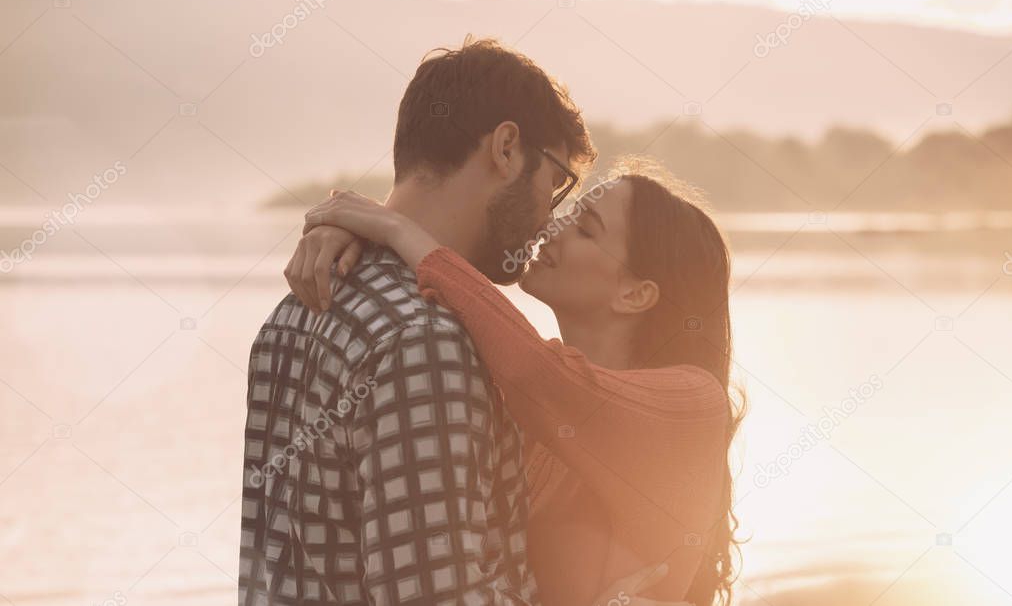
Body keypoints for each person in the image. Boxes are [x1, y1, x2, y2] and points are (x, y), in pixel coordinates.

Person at [287, 158, 743, 606]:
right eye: (568, 215)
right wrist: (353, 232)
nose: (552, 230)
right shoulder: (533, 414)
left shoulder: (691, 402)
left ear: (635, 294)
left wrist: (398, 229)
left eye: (585, 230)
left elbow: (533, 369)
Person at [238, 37, 596, 605]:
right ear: (506, 148)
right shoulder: (425, 340)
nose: (547, 219)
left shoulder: (294, 311)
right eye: (555, 182)